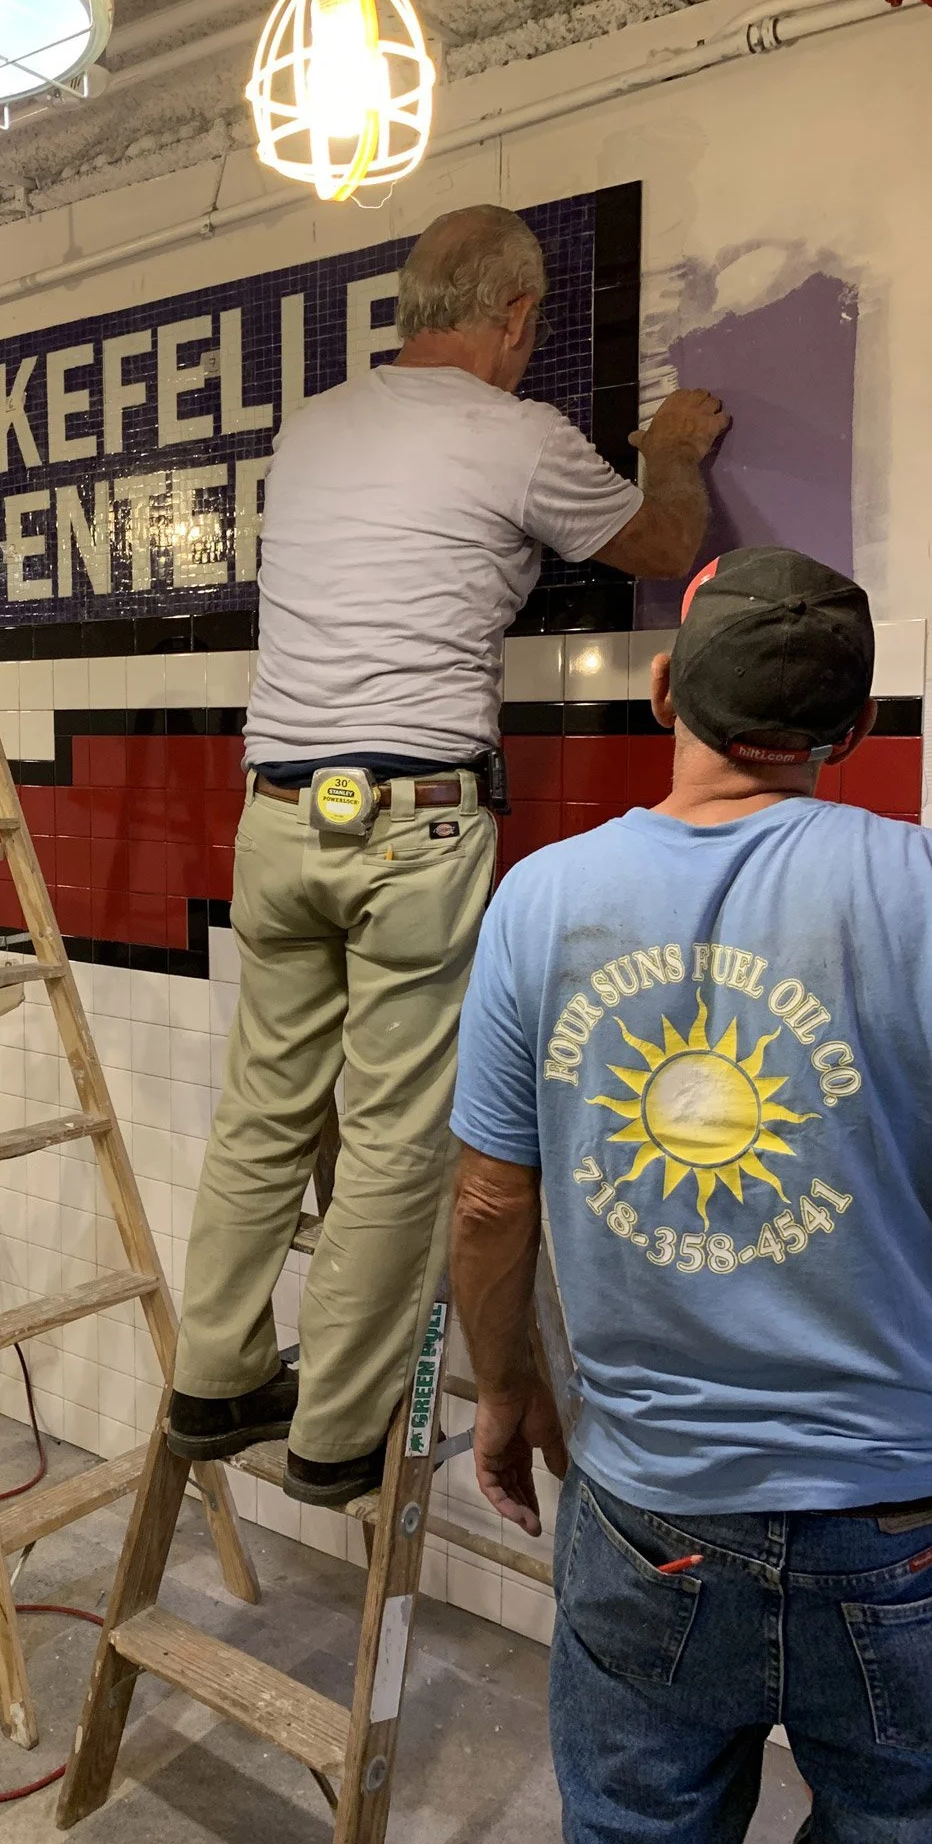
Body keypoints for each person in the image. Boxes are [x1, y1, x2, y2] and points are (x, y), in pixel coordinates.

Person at [167, 200, 728, 1506]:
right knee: (394, 1135)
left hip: (278, 815)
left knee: (265, 1109)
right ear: (516, 315)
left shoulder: (314, 426)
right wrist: (672, 454)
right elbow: (658, 546)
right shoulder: (515, 434)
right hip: (411, 823)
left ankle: (211, 1380)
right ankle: (336, 1438)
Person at [450, 546, 932, 1842]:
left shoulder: (540, 899)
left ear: (663, 690)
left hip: (650, 1510)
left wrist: (505, 1392)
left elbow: (488, 1205)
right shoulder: (921, 890)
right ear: (855, 728)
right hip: (898, 1519)